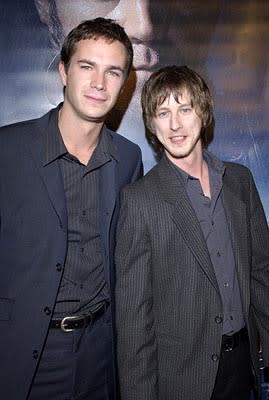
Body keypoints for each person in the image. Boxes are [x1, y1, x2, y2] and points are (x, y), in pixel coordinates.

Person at [0, 17, 143, 400]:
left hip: (101, 356)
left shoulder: (129, 160)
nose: (99, 83)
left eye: (113, 72)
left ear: (125, 83)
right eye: (87, 66)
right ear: (63, 71)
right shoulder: (7, 151)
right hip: (23, 358)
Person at [115, 65, 269, 400]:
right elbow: (134, 325)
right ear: (152, 124)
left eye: (184, 109)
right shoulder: (139, 201)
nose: (175, 124)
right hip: (184, 380)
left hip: (245, 368)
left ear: (203, 111)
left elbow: (261, 274)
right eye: (163, 112)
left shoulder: (240, 182)